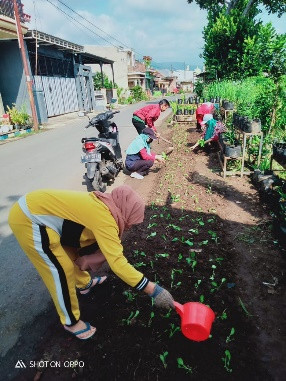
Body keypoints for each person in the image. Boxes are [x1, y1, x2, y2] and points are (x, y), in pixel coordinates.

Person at [8, 186, 174, 340]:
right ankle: (70, 322)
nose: (130, 226)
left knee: (69, 255)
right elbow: (117, 263)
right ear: (126, 211)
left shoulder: (106, 206)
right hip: (28, 218)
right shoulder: (104, 217)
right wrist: (153, 290)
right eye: (131, 221)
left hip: (39, 212)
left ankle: (84, 283)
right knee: (60, 270)